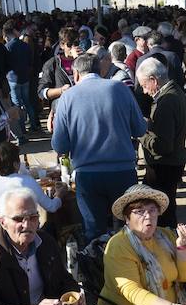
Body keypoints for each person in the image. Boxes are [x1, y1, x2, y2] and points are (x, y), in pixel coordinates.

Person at [50, 52, 147, 242]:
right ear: (101, 71)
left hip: (88, 176)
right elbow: (140, 129)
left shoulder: (68, 97)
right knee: (129, 230)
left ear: (76, 74)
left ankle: (97, 268)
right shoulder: (120, 89)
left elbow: (60, 145)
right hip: (123, 172)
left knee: (94, 232)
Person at [98, 183, 186, 305]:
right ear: (127, 218)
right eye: (139, 211)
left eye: (152, 210)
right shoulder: (118, 245)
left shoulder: (167, 235)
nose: (148, 216)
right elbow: (132, 292)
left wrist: (183, 246)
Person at [136, 56, 186, 227]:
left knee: (162, 212)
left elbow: (162, 146)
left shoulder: (166, 101)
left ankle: (168, 245)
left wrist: (141, 133)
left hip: (164, 165)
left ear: (154, 80)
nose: (144, 91)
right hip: (173, 162)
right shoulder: (176, 91)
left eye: (144, 85)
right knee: (167, 207)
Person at [0, 142, 63, 222]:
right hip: (21, 229)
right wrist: (59, 195)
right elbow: (52, 207)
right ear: (15, 164)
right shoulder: (27, 180)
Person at [3, 24, 38, 136]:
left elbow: (6, 64)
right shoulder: (25, 45)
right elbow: (30, 60)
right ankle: (34, 125)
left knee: (17, 105)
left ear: (7, 35)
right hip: (25, 77)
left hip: (13, 78)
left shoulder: (8, 47)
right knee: (28, 103)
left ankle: (22, 129)